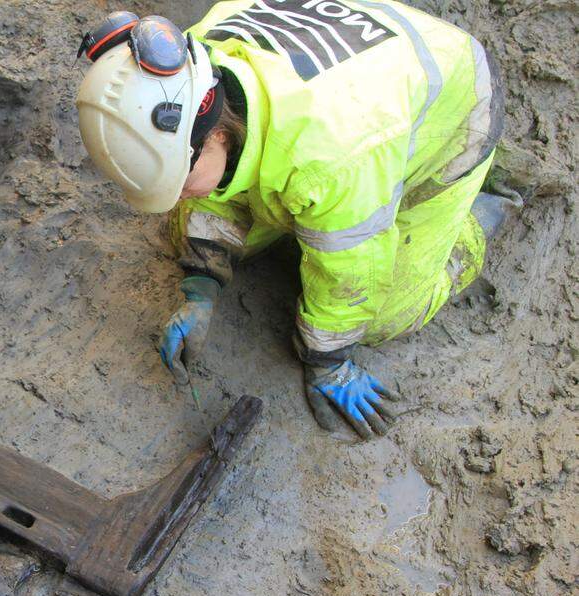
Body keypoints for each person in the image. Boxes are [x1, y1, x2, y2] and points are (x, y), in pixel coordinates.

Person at [76, 2, 515, 439]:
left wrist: (328, 360)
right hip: (356, 56)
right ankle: (312, 213)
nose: (177, 194)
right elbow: (212, 191)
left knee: (384, 314)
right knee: (198, 219)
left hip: (452, 104)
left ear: (218, 134)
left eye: (179, 179)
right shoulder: (196, 74)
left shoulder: (334, 159)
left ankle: (480, 203)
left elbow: (353, 276)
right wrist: (201, 288)